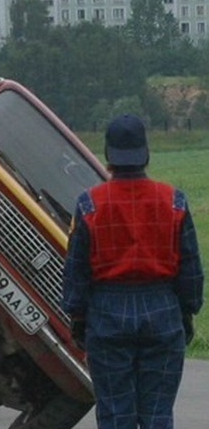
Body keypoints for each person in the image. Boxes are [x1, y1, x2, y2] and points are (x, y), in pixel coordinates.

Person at [62, 114, 204, 429]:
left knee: (115, 416)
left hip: (108, 314)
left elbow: (77, 271)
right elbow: (191, 269)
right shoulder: (174, 202)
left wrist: (78, 315)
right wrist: (187, 309)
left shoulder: (90, 204)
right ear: (146, 152)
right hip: (163, 311)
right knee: (157, 416)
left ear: (109, 155)